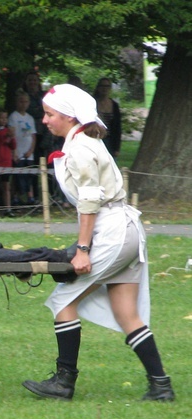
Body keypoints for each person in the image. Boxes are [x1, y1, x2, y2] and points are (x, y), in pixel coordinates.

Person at [22, 83, 174, 402]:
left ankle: (64, 383)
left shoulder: (80, 148)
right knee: (126, 313)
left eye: (50, 114)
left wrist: (82, 249)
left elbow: (90, 200)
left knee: (63, 302)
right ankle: (161, 387)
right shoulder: (84, 141)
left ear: (68, 115)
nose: (45, 120)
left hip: (114, 232)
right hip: (126, 231)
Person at [8, 90, 37, 205]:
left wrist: (31, 150)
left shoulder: (30, 118)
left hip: (28, 153)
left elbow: (33, 136)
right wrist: (14, 151)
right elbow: (12, 135)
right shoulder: (13, 117)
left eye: (26, 102)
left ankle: (30, 196)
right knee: (17, 176)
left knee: (29, 175)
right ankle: (15, 196)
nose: (23, 104)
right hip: (18, 151)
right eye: (21, 102)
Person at [93, 78, 122, 159]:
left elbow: (117, 128)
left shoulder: (114, 105)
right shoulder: (92, 103)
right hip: (95, 140)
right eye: (102, 86)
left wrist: (117, 148)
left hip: (110, 142)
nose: (104, 88)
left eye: (107, 86)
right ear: (98, 87)